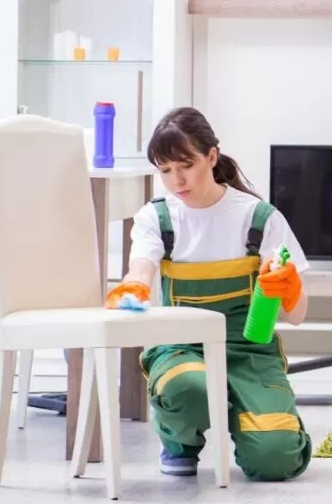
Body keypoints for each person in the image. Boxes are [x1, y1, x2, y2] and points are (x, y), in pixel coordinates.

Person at [117, 107, 312, 480]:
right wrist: (135, 285)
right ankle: (180, 442)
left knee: (276, 459)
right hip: (181, 348)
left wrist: (289, 287)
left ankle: (256, 415)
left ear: (211, 156)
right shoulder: (157, 218)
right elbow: (141, 267)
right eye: (165, 170)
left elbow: (298, 315)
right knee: (191, 387)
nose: (176, 180)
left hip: (249, 352)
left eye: (186, 165)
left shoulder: (259, 218)